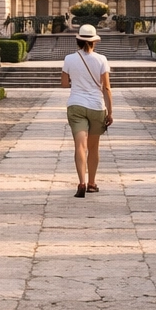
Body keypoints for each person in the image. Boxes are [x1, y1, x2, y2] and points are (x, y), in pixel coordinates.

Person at [60, 23, 113, 198]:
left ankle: (81, 182)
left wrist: (78, 82)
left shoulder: (69, 59)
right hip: (96, 106)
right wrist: (110, 112)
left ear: (78, 40)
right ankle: (92, 184)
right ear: (94, 41)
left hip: (76, 105)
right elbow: (106, 88)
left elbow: (64, 84)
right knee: (93, 147)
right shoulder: (102, 59)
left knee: (79, 147)